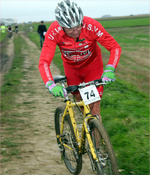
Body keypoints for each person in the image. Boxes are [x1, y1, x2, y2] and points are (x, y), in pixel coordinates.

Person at [38, 0, 121, 122]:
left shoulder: (91, 25)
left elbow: (114, 47)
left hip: (93, 66)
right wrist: (50, 84)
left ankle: (96, 136)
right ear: (61, 26)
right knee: (79, 100)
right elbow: (44, 61)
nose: (76, 31)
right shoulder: (54, 31)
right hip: (71, 69)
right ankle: (87, 126)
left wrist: (110, 68)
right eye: (70, 29)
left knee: (95, 105)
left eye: (78, 26)